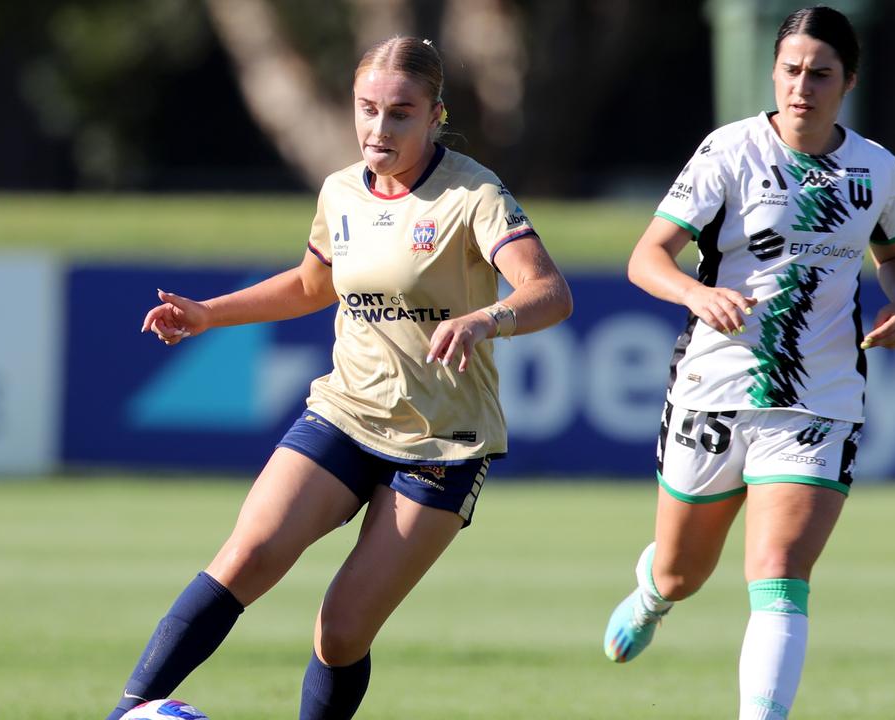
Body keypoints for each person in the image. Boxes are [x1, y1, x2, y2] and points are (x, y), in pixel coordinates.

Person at [104, 36, 572, 720]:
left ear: (435, 115)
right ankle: (125, 715)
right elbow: (307, 285)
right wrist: (208, 315)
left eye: (400, 113)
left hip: (443, 444)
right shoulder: (341, 190)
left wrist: (485, 319)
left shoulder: (473, 193)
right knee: (248, 554)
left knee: (340, 631)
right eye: (367, 109)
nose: (378, 129)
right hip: (345, 415)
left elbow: (551, 293)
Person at [601, 6, 895, 719]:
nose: (802, 86)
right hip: (715, 386)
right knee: (684, 572)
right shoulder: (729, 152)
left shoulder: (876, 169)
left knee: (778, 573)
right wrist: (696, 292)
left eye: (820, 74)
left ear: (849, 81)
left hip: (820, 398)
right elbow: (647, 258)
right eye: (791, 70)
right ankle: (653, 592)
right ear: (774, 72)